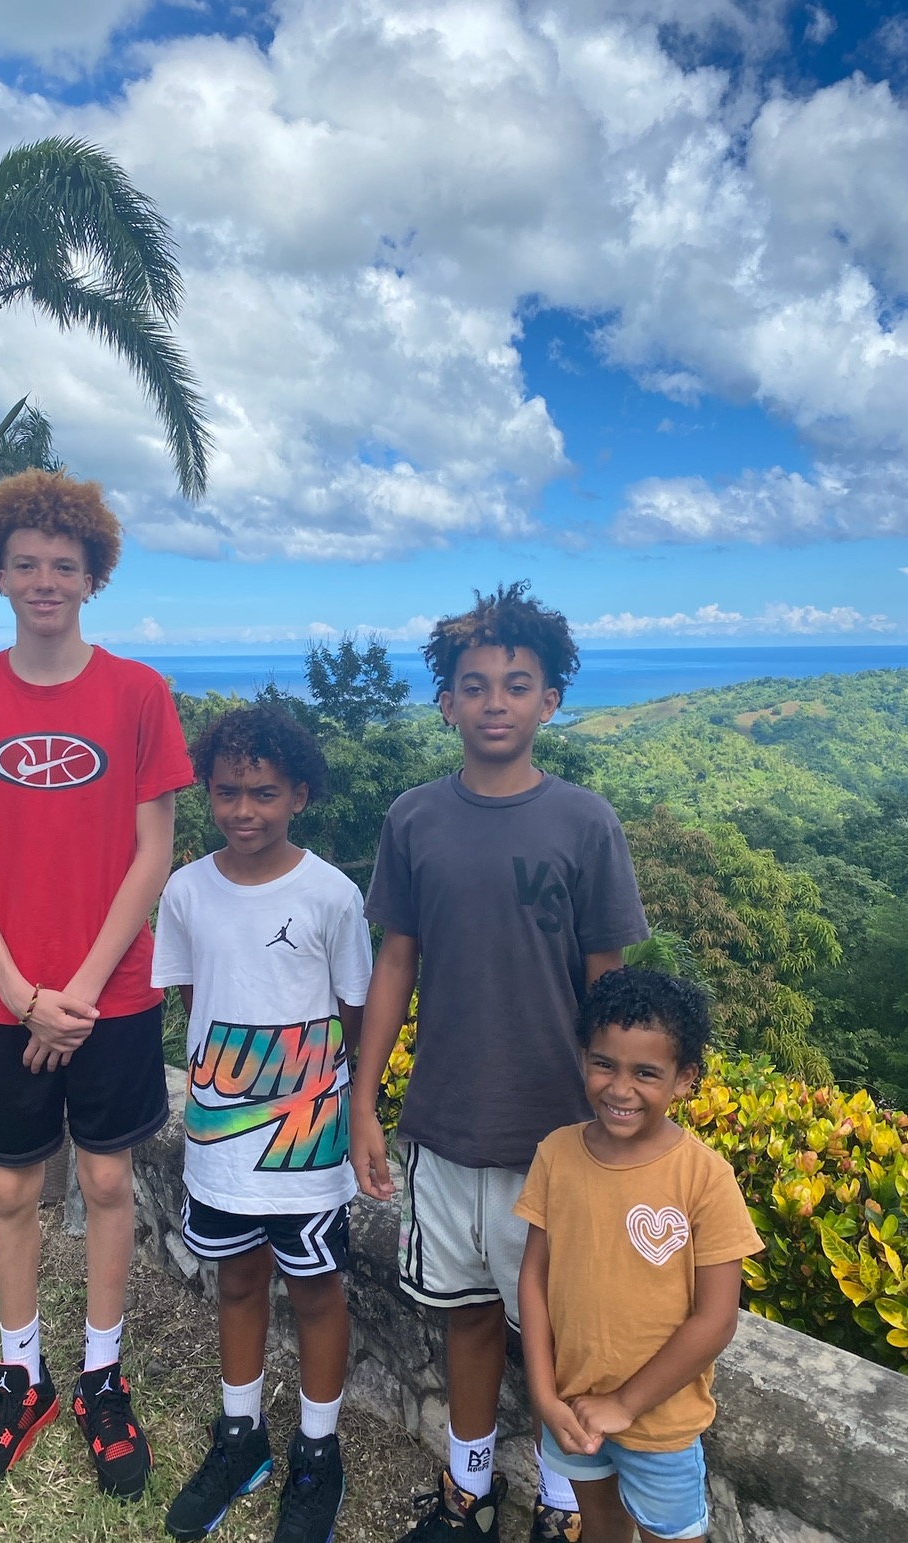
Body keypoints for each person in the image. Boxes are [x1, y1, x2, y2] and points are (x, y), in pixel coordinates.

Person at [0, 468, 194, 1502]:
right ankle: (20, 1372)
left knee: (108, 1181)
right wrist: (26, 993)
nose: (42, 580)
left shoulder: (138, 694)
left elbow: (152, 853)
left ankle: (101, 1376)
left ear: (92, 575)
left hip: (113, 993)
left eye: (62, 564)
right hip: (4, 995)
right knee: (12, 1186)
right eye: (24, 563)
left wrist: (73, 992)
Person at [350, 581, 649, 1543]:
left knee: (558, 1331)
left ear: (548, 701)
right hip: (444, 1121)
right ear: (445, 703)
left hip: (558, 1135)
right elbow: (394, 962)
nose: (494, 702)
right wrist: (365, 1100)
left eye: (516, 685)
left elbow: (609, 986)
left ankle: (561, 1502)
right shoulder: (413, 819)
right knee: (467, 1315)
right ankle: (468, 1489)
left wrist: (623, 1118)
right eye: (473, 685)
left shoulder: (585, 822)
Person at [151, 705, 372, 1543]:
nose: (243, 810)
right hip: (220, 1142)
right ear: (208, 791)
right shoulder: (185, 890)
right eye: (227, 792)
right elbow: (194, 997)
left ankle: (318, 1450)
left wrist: (325, 1100)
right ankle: (239, 1435)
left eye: (264, 793)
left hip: (306, 1148)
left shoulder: (330, 894)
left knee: (316, 1291)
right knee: (237, 1282)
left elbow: (354, 1010)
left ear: (299, 795)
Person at [516, 968, 763, 1543]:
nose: (620, 1089)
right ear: (583, 1057)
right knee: (601, 1527)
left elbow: (716, 1319)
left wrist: (625, 1404)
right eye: (604, 1064)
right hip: (572, 1408)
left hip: (660, 1425)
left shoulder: (705, 1178)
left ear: (685, 1079)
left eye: (646, 1073)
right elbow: (534, 1278)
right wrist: (545, 1395)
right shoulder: (556, 1154)